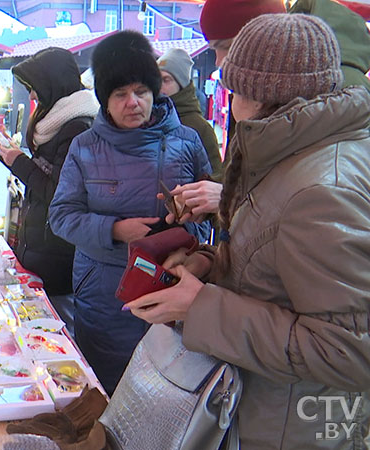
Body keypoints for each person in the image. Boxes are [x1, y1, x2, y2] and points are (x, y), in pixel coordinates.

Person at [125, 14, 370, 448]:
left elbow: (350, 350)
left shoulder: (319, 189)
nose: (231, 103)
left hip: (291, 429)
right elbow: (278, 270)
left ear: (263, 95)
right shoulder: (293, 155)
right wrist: (208, 264)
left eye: (234, 89)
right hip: (261, 411)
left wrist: (200, 307)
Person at [48, 31, 212, 394]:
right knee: (104, 394)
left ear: (156, 92)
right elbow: (61, 216)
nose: (132, 102)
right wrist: (116, 230)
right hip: (105, 295)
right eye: (120, 94)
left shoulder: (187, 141)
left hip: (175, 286)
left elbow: (216, 213)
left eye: (141, 91)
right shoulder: (84, 146)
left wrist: (196, 220)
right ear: (105, 101)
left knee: (168, 396)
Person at [170, 0, 370, 224]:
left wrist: (228, 197)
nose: (218, 62)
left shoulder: (335, 92)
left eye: (225, 46)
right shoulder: (263, 87)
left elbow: (306, 202)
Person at [0, 47, 99, 336]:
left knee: (55, 337)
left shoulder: (78, 127)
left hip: (59, 256)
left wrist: (18, 161)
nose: (33, 97)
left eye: (35, 89)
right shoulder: (56, 122)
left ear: (52, 82)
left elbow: (58, 193)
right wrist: (11, 156)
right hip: (42, 250)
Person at [158, 48, 222, 180]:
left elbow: (215, 178)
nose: (159, 86)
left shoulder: (200, 128)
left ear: (181, 84)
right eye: (157, 80)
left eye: (166, 80)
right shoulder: (149, 119)